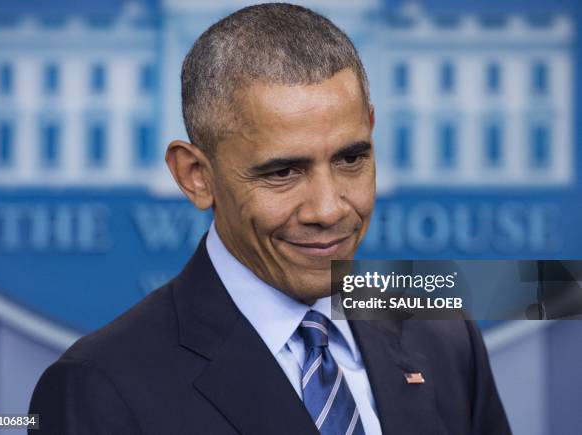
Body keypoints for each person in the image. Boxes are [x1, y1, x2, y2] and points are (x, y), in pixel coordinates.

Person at [29, 3, 512, 434]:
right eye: (283, 172)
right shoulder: (99, 387)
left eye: (350, 160)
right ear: (196, 176)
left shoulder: (442, 333)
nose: (328, 209)